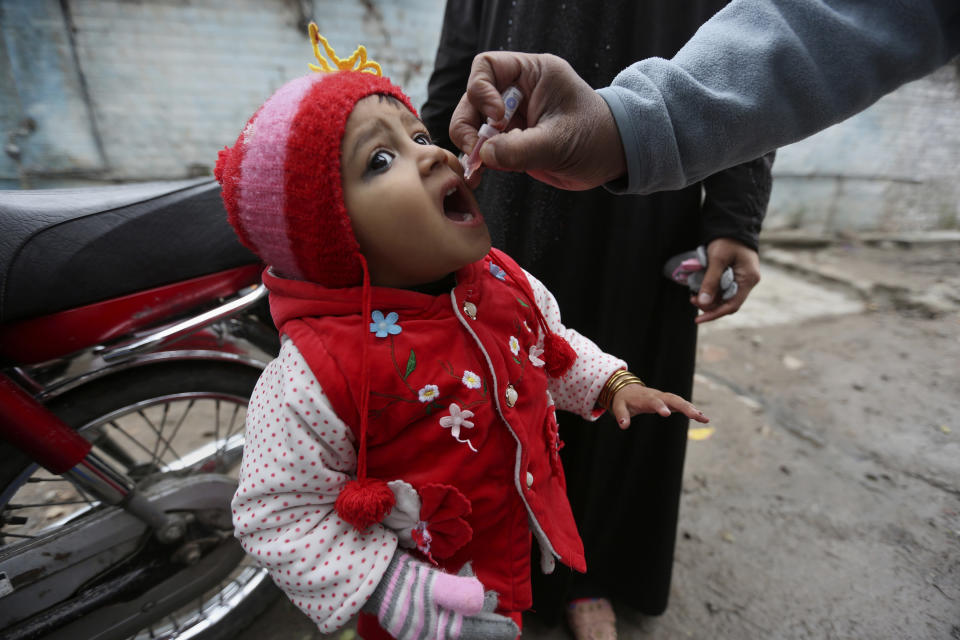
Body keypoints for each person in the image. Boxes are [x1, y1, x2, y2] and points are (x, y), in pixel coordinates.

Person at [216, 26, 708, 640]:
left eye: (420, 134)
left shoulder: (500, 280)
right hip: (420, 609)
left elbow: (547, 345)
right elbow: (275, 515)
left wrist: (611, 383)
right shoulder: (312, 376)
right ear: (333, 238)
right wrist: (393, 589)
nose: (432, 153)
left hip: (505, 553)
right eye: (380, 159)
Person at [421, 2, 773, 638]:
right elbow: (457, 74)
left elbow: (744, 61)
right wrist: (430, 183)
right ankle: (486, 565)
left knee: (623, 390)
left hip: (650, 196)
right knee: (496, 386)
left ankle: (594, 572)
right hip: (510, 199)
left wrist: (734, 219)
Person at [447, 0, 959, 195]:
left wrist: (736, 220)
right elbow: (458, 63)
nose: (425, 159)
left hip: (657, 194)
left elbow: (762, 41)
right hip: (536, 180)